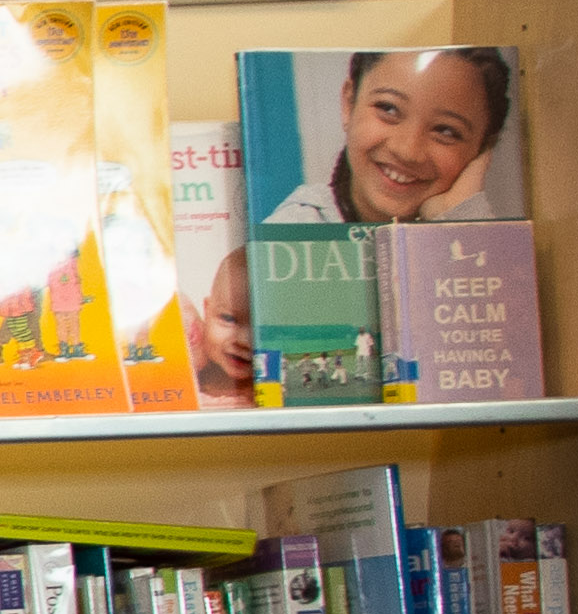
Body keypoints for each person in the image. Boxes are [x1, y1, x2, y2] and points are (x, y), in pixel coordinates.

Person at [197, 40, 518, 394]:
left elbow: (493, 369)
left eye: (446, 131)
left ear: (482, 150)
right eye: (388, 109)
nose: (407, 150)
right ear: (348, 102)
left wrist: (459, 215)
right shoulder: (296, 230)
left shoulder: (472, 223)